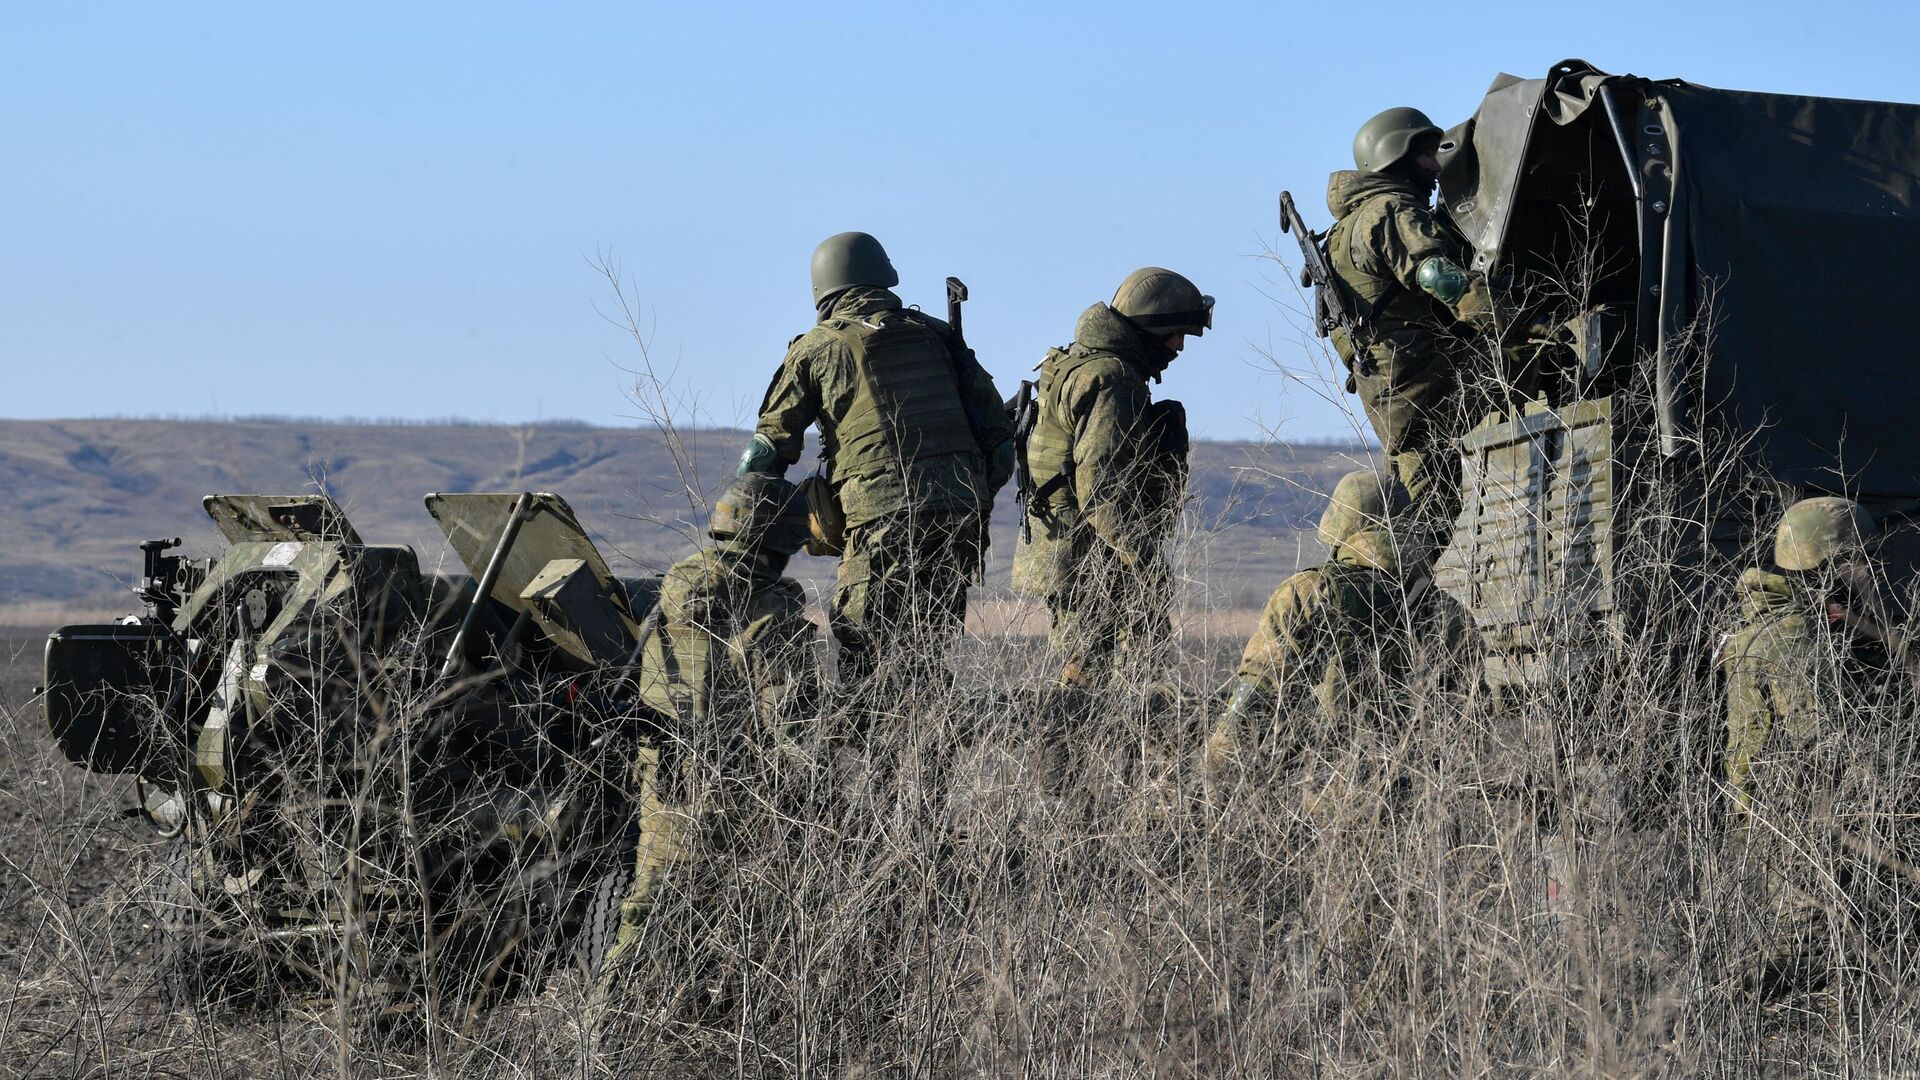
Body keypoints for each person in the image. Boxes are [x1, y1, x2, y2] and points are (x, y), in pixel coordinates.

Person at [738, 231, 1014, 698]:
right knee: (926, 651)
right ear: (883, 276)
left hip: (880, 517)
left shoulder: (816, 348)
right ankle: (931, 759)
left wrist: (740, 531)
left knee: (865, 650)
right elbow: (999, 441)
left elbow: (766, 452)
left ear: (824, 290)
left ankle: (874, 765)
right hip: (960, 516)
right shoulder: (937, 335)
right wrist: (968, 493)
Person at [602, 474, 820, 973]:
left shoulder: (672, 595)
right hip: (739, 799)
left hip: (666, 786)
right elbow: (792, 730)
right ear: (781, 539)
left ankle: (606, 1038)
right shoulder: (769, 613)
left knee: (650, 916)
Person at [1719, 496, 1910, 1001]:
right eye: (1857, 560)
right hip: (1795, 821)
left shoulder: (1766, 623)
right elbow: (1823, 742)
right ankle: (1713, 1011)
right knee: (1809, 946)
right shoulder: (1794, 638)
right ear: (1824, 565)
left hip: (1770, 816)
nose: (1867, 569)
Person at [1015, 267, 1211, 688]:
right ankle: (1072, 753)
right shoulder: (1113, 380)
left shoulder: (1078, 362)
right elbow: (1102, 486)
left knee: (1089, 676)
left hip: (1074, 546)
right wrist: (1143, 561)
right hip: (1095, 556)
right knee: (1096, 685)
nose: (1179, 346)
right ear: (1146, 328)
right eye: (1174, 333)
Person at [1325, 107, 1497, 559]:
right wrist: (1508, 323)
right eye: (1425, 155)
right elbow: (1439, 276)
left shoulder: (1343, 230)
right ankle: (1387, 618)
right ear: (1397, 159)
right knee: (1420, 533)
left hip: (1395, 394)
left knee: (1411, 520)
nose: (1436, 168)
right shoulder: (1390, 210)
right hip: (1424, 388)